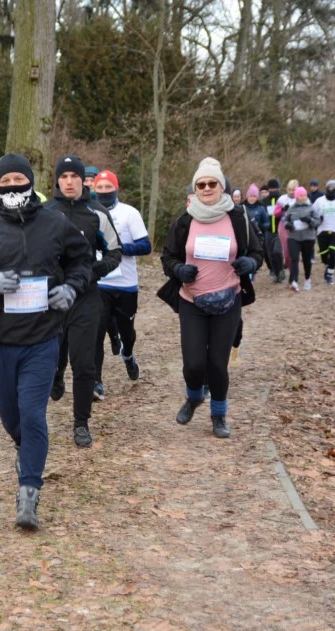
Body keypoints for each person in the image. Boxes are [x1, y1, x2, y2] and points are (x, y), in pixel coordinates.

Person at [0, 153, 93, 531]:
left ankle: (29, 491)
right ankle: (22, 447)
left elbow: (82, 261)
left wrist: (72, 289)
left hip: (42, 338)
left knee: (32, 414)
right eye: (6, 181)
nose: (13, 186)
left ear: (31, 182)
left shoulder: (55, 222)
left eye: (19, 179)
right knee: (12, 417)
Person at [158, 157, 263, 438]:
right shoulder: (185, 220)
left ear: (222, 186)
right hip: (191, 301)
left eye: (211, 183)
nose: (206, 188)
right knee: (193, 364)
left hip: (228, 300)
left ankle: (219, 415)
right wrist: (179, 269)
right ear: (196, 188)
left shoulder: (238, 217)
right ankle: (194, 397)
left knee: (217, 363)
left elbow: (257, 252)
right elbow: (167, 256)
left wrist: (250, 265)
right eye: (201, 184)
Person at [45, 155, 123, 447]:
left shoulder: (97, 213)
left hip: (85, 296)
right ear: (57, 180)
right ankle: (56, 376)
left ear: (83, 180)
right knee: (53, 354)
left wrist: (93, 272)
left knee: (84, 360)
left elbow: (116, 251)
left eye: (73, 177)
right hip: (51, 296)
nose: (68, 182)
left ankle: (81, 423)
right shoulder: (46, 212)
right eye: (63, 177)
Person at [92, 170, 151, 393]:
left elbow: (145, 246)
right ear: (94, 190)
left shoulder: (130, 213)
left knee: (127, 331)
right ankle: (96, 381)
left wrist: (120, 249)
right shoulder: (89, 213)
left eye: (108, 188)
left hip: (126, 283)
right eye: (100, 188)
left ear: (116, 189)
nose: (104, 192)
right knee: (96, 332)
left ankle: (127, 354)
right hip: (100, 283)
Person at [284, 185, 321, 291]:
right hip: (293, 237)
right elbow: (285, 219)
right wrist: (288, 225)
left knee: (306, 259)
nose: (303, 197)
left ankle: (307, 279)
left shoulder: (311, 207)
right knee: (294, 258)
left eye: (305, 195)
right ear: (296, 196)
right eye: (301, 195)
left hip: (308, 237)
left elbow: (317, 221)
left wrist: (309, 221)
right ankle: (294, 281)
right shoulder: (291, 208)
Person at [261, 179, 286, 282]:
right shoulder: (264, 201)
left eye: (274, 188)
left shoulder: (282, 199)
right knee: (270, 254)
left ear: (278, 188)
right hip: (268, 231)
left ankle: (281, 269)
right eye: (270, 188)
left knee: (277, 251)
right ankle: (276, 274)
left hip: (279, 231)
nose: (272, 190)